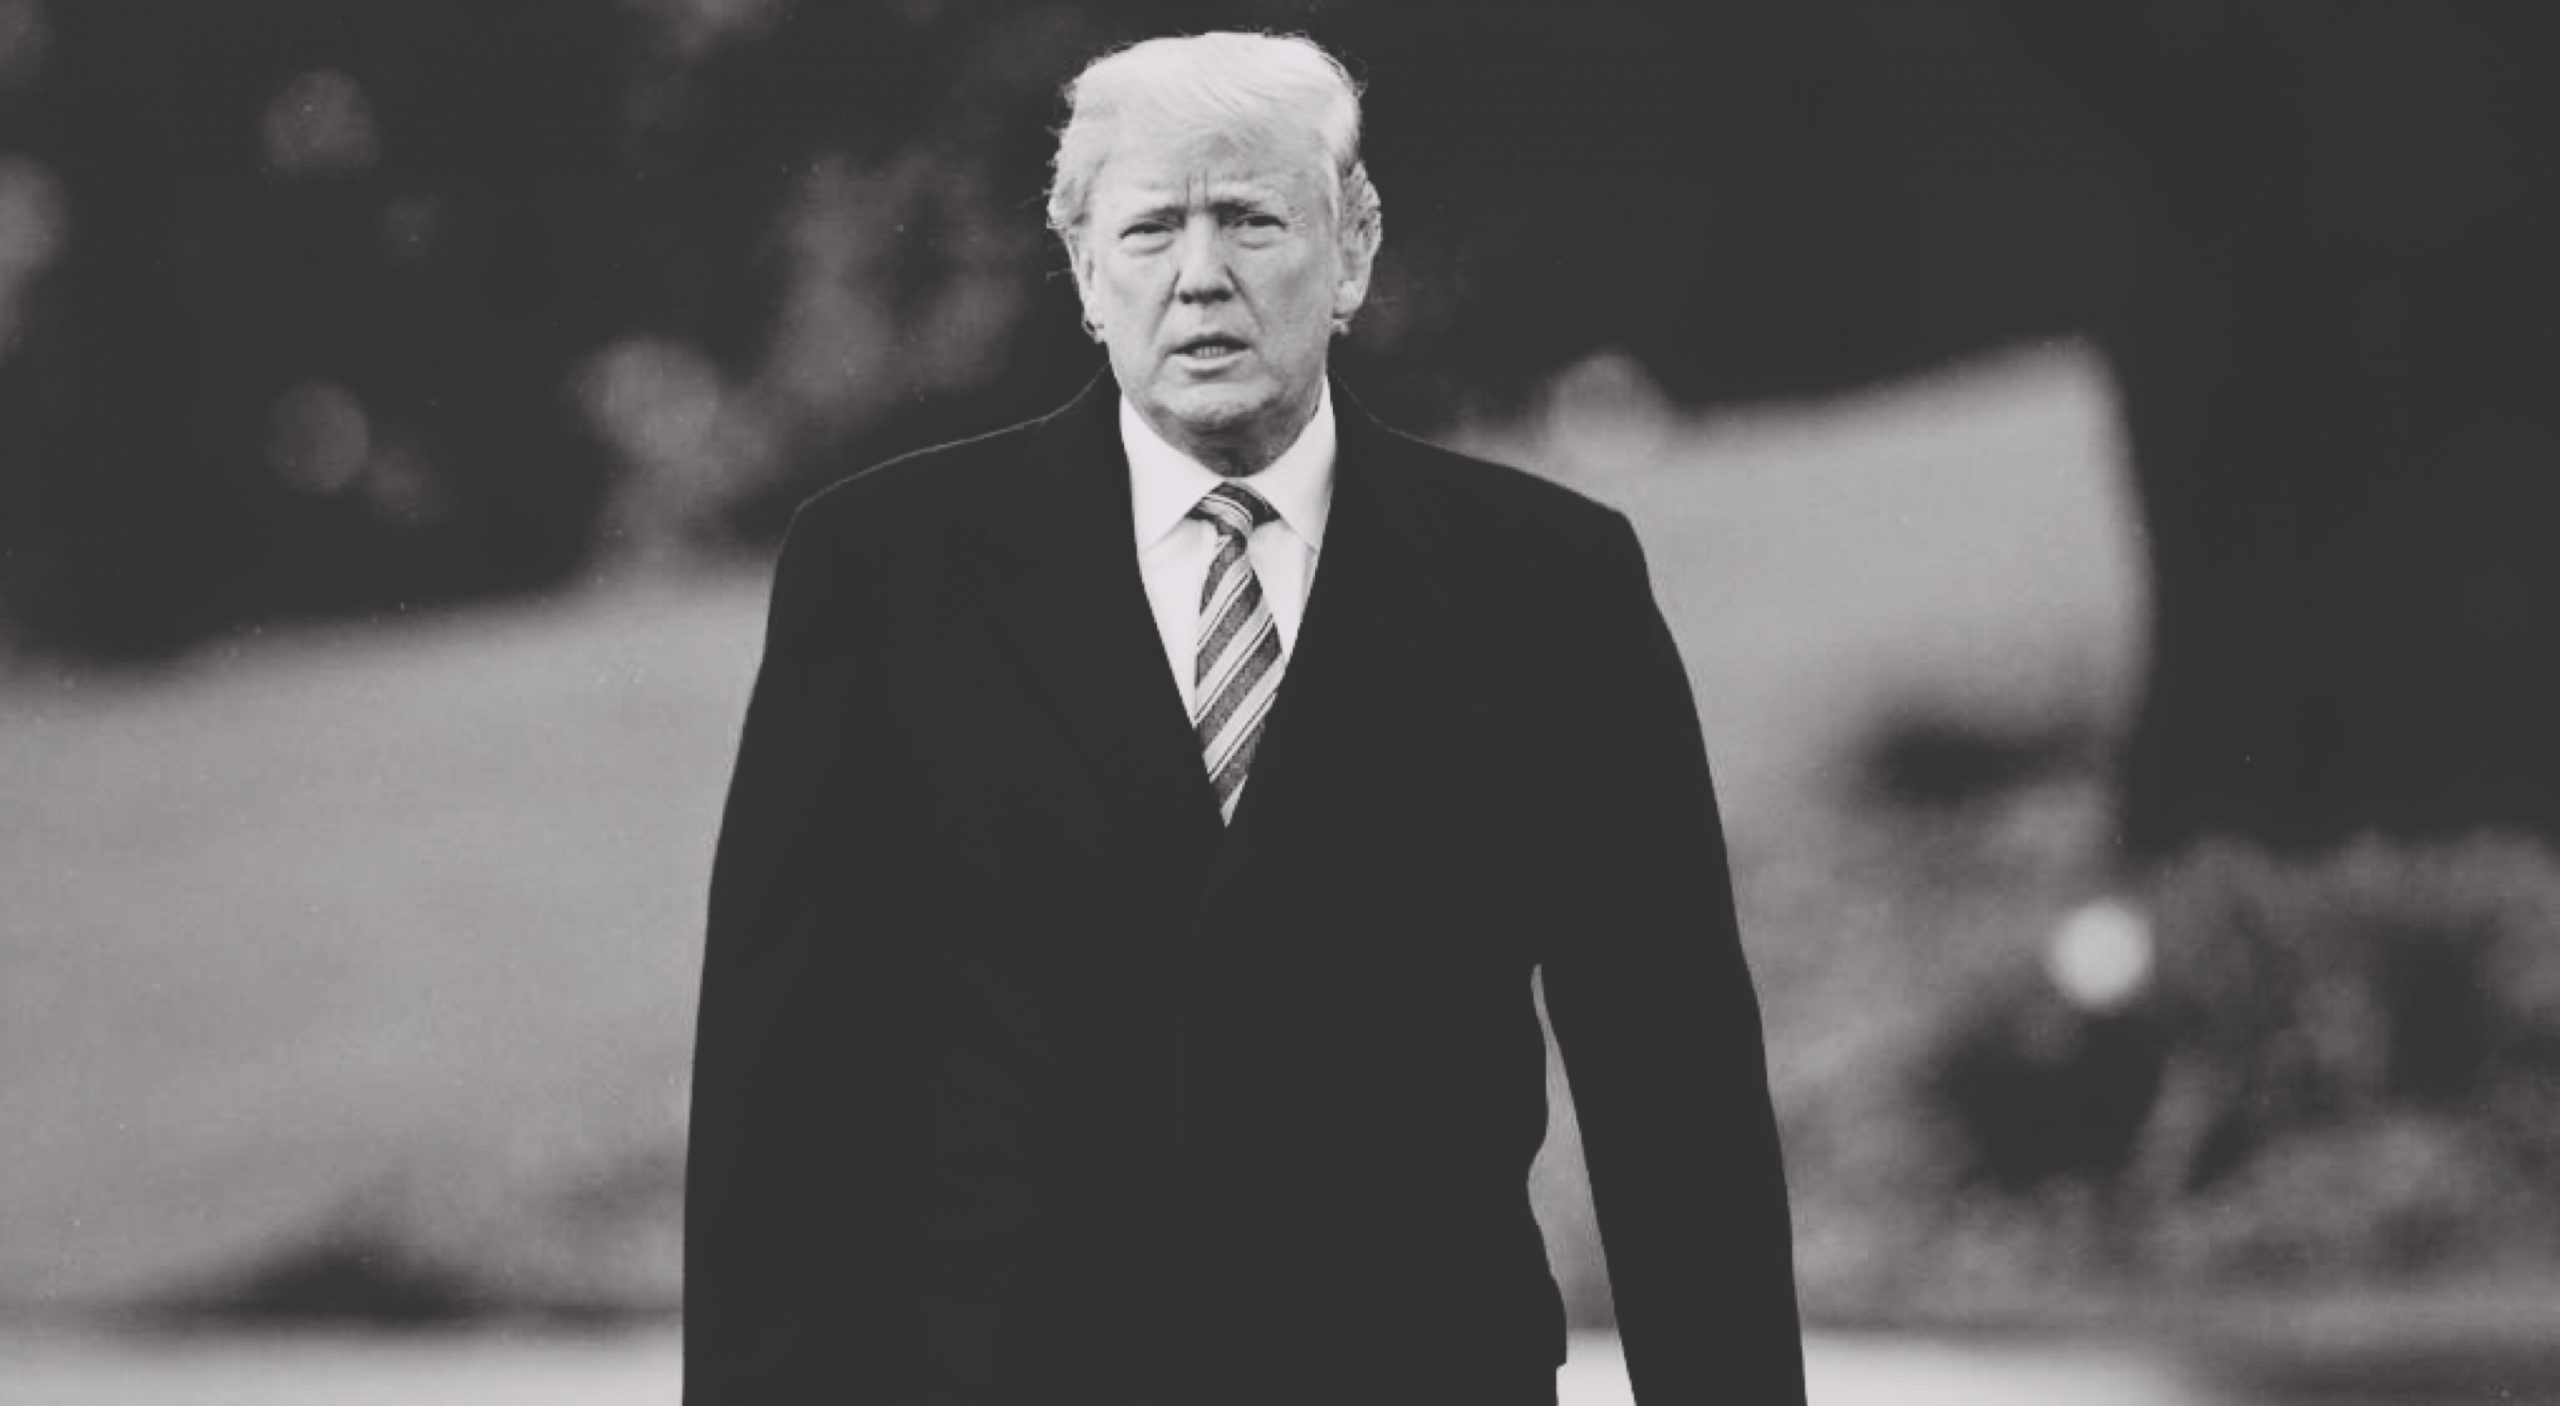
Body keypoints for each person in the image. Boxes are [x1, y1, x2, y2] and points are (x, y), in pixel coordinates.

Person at [683, 30, 1804, 1406]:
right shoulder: (883, 575)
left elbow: (1676, 1085)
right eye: (1151, 226)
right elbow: (781, 1095)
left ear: (1354, 249)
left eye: (1252, 220)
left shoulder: (1551, 585)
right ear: (1084, 268)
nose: (1200, 274)